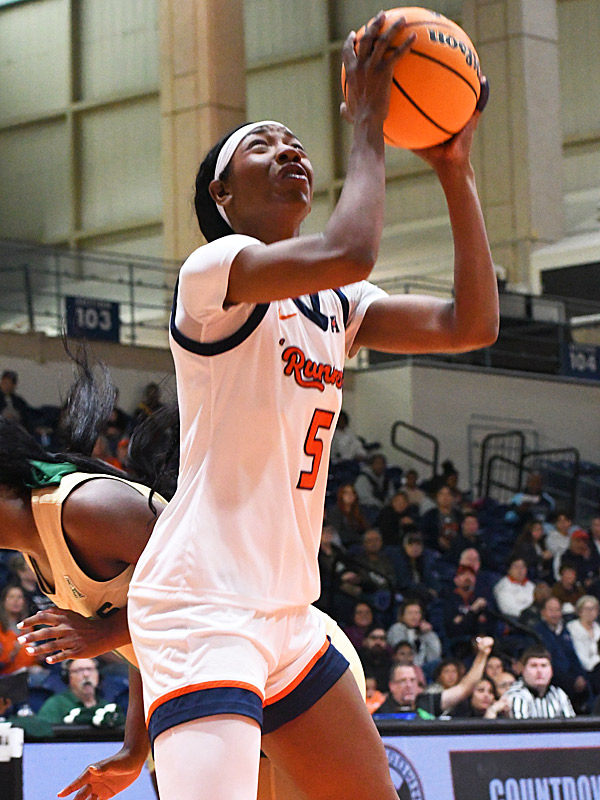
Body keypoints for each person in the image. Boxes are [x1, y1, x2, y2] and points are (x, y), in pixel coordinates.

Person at [126, 11, 497, 799]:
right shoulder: (211, 274)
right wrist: (367, 121)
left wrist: (453, 169)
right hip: (202, 603)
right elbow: (351, 246)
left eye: (296, 140)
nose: (290, 149)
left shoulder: (338, 302)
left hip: (288, 611)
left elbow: (473, 323)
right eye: (263, 143)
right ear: (223, 197)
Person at [375, 636, 494, 719]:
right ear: (392, 686)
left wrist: (482, 655)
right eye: (402, 681)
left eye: (412, 680)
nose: (409, 685)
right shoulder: (382, 712)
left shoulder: (427, 701)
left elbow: (464, 688)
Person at [36, 658, 124, 728]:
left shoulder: (107, 706)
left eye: (90, 669)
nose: (86, 675)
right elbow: (43, 732)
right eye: (79, 670)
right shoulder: (55, 704)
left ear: (98, 675)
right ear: (68, 677)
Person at [504, 645, 576, 719]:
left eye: (544, 665)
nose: (539, 671)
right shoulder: (515, 695)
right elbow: (521, 728)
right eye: (534, 666)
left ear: (551, 671)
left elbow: (572, 727)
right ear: (523, 670)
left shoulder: (558, 694)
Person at [386, 600, 441, 669]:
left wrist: (428, 633)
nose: (414, 616)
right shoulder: (397, 629)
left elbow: (435, 656)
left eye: (417, 613)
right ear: (402, 616)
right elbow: (404, 654)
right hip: (403, 668)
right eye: (410, 613)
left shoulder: (424, 632)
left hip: (423, 668)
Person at [566, 595, 600, 694]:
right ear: (579, 611)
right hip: (584, 670)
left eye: (593, 609)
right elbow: (581, 657)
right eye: (587, 609)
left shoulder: (598, 628)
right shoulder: (573, 628)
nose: (590, 612)